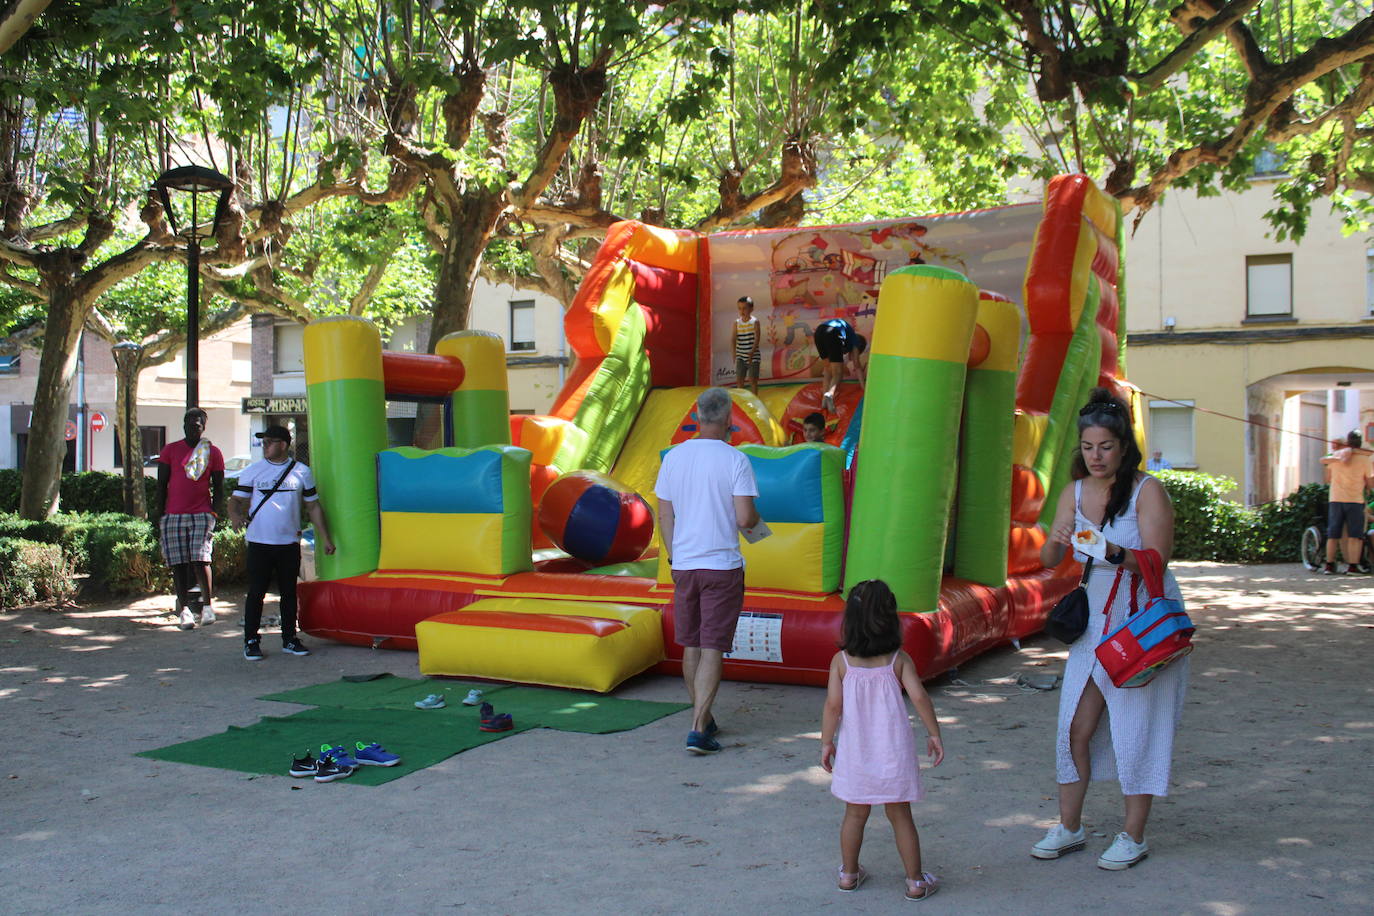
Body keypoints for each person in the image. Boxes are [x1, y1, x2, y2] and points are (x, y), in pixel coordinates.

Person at [1034, 387, 1187, 870]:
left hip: (1140, 621)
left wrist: (1109, 549)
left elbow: (1158, 561)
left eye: (1105, 446)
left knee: (1136, 729)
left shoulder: (1147, 490)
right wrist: (1058, 539)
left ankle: (1133, 835)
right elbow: (1047, 557)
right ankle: (1070, 827)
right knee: (1073, 729)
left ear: (1123, 447)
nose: (1095, 456)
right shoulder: (1075, 491)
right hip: (1094, 619)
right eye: (1087, 447)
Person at [820, 579, 944, 900]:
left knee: (855, 814)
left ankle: (848, 874)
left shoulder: (841, 662)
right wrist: (934, 733)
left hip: (855, 755)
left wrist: (826, 742)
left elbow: (833, 706)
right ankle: (915, 882)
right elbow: (920, 697)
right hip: (894, 755)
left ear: (850, 620)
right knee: (900, 815)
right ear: (891, 619)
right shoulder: (898, 660)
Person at [655, 387, 760, 755]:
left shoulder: (673, 458)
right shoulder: (736, 460)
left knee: (692, 644)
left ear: (697, 416)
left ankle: (703, 717)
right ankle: (699, 729)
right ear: (729, 418)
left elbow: (665, 514)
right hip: (721, 566)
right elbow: (745, 518)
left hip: (684, 564)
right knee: (713, 646)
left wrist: (674, 556)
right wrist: (756, 521)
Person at [227, 425, 335, 660]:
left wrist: (326, 538)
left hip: (288, 542)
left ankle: (290, 638)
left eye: (269, 442)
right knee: (256, 592)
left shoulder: (302, 472)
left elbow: (313, 506)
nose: (265, 446)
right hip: (259, 542)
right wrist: (235, 516)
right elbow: (235, 501)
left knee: (288, 593)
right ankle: (251, 641)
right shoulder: (253, 471)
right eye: (263, 442)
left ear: (284, 445)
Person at [156, 408, 224, 631]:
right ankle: (184, 609)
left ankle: (207, 607)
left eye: (197, 425)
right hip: (173, 514)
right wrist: (160, 514)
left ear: (203, 427)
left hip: (202, 513)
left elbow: (219, 486)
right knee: (178, 563)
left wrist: (214, 512)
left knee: (201, 559)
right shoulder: (170, 450)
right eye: (188, 424)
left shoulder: (212, 452)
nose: (192, 428)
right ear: (183, 425)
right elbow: (161, 484)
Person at [1319, 431, 1373, 574]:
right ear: (1360, 442)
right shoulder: (1365, 459)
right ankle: (1352, 566)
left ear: (1347, 442)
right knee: (1355, 535)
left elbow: (1328, 479)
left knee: (1333, 534)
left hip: (1335, 499)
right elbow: (1370, 483)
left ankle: (1329, 565)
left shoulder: (1335, 457)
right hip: (1355, 500)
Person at [812, 317, 867, 413]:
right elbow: (857, 366)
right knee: (838, 374)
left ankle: (824, 401)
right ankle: (829, 396)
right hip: (833, 332)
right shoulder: (855, 341)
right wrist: (864, 387)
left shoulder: (846, 337)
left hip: (819, 332)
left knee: (828, 370)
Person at [733, 296, 761, 396]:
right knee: (739, 379)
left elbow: (757, 338)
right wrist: (734, 353)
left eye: (744, 308)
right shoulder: (737, 323)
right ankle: (741, 399)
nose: (742, 311)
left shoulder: (755, 322)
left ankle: (754, 398)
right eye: (739, 308)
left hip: (753, 356)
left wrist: (752, 352)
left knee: (753, 380)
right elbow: (733, 338)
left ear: (751, 309)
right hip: (741, 356)